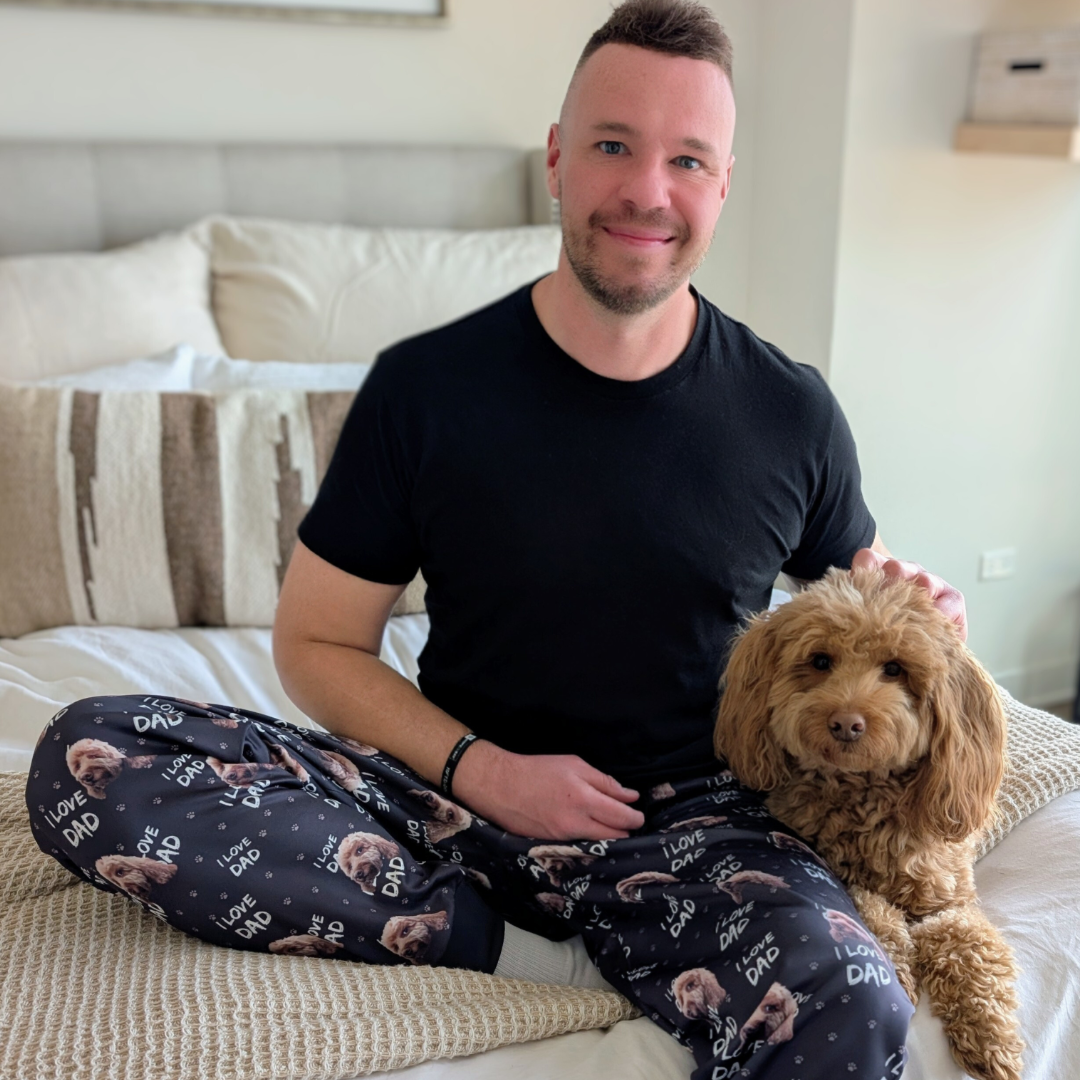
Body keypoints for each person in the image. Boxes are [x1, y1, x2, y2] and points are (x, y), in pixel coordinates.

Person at [27, 3, 967, 1078]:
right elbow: (318, 646)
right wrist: (483, 770)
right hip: (443, 802)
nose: (647, 192)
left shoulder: (791, 410)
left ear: (723, 185)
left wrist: (933, 608)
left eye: (688, 160)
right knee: (88, 758)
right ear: (559, 161)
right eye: (614, 145)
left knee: (856, 1006)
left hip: (695, 826)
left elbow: (876, 611)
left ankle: (600, 935)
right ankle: (514, 949)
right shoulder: (424, 390)